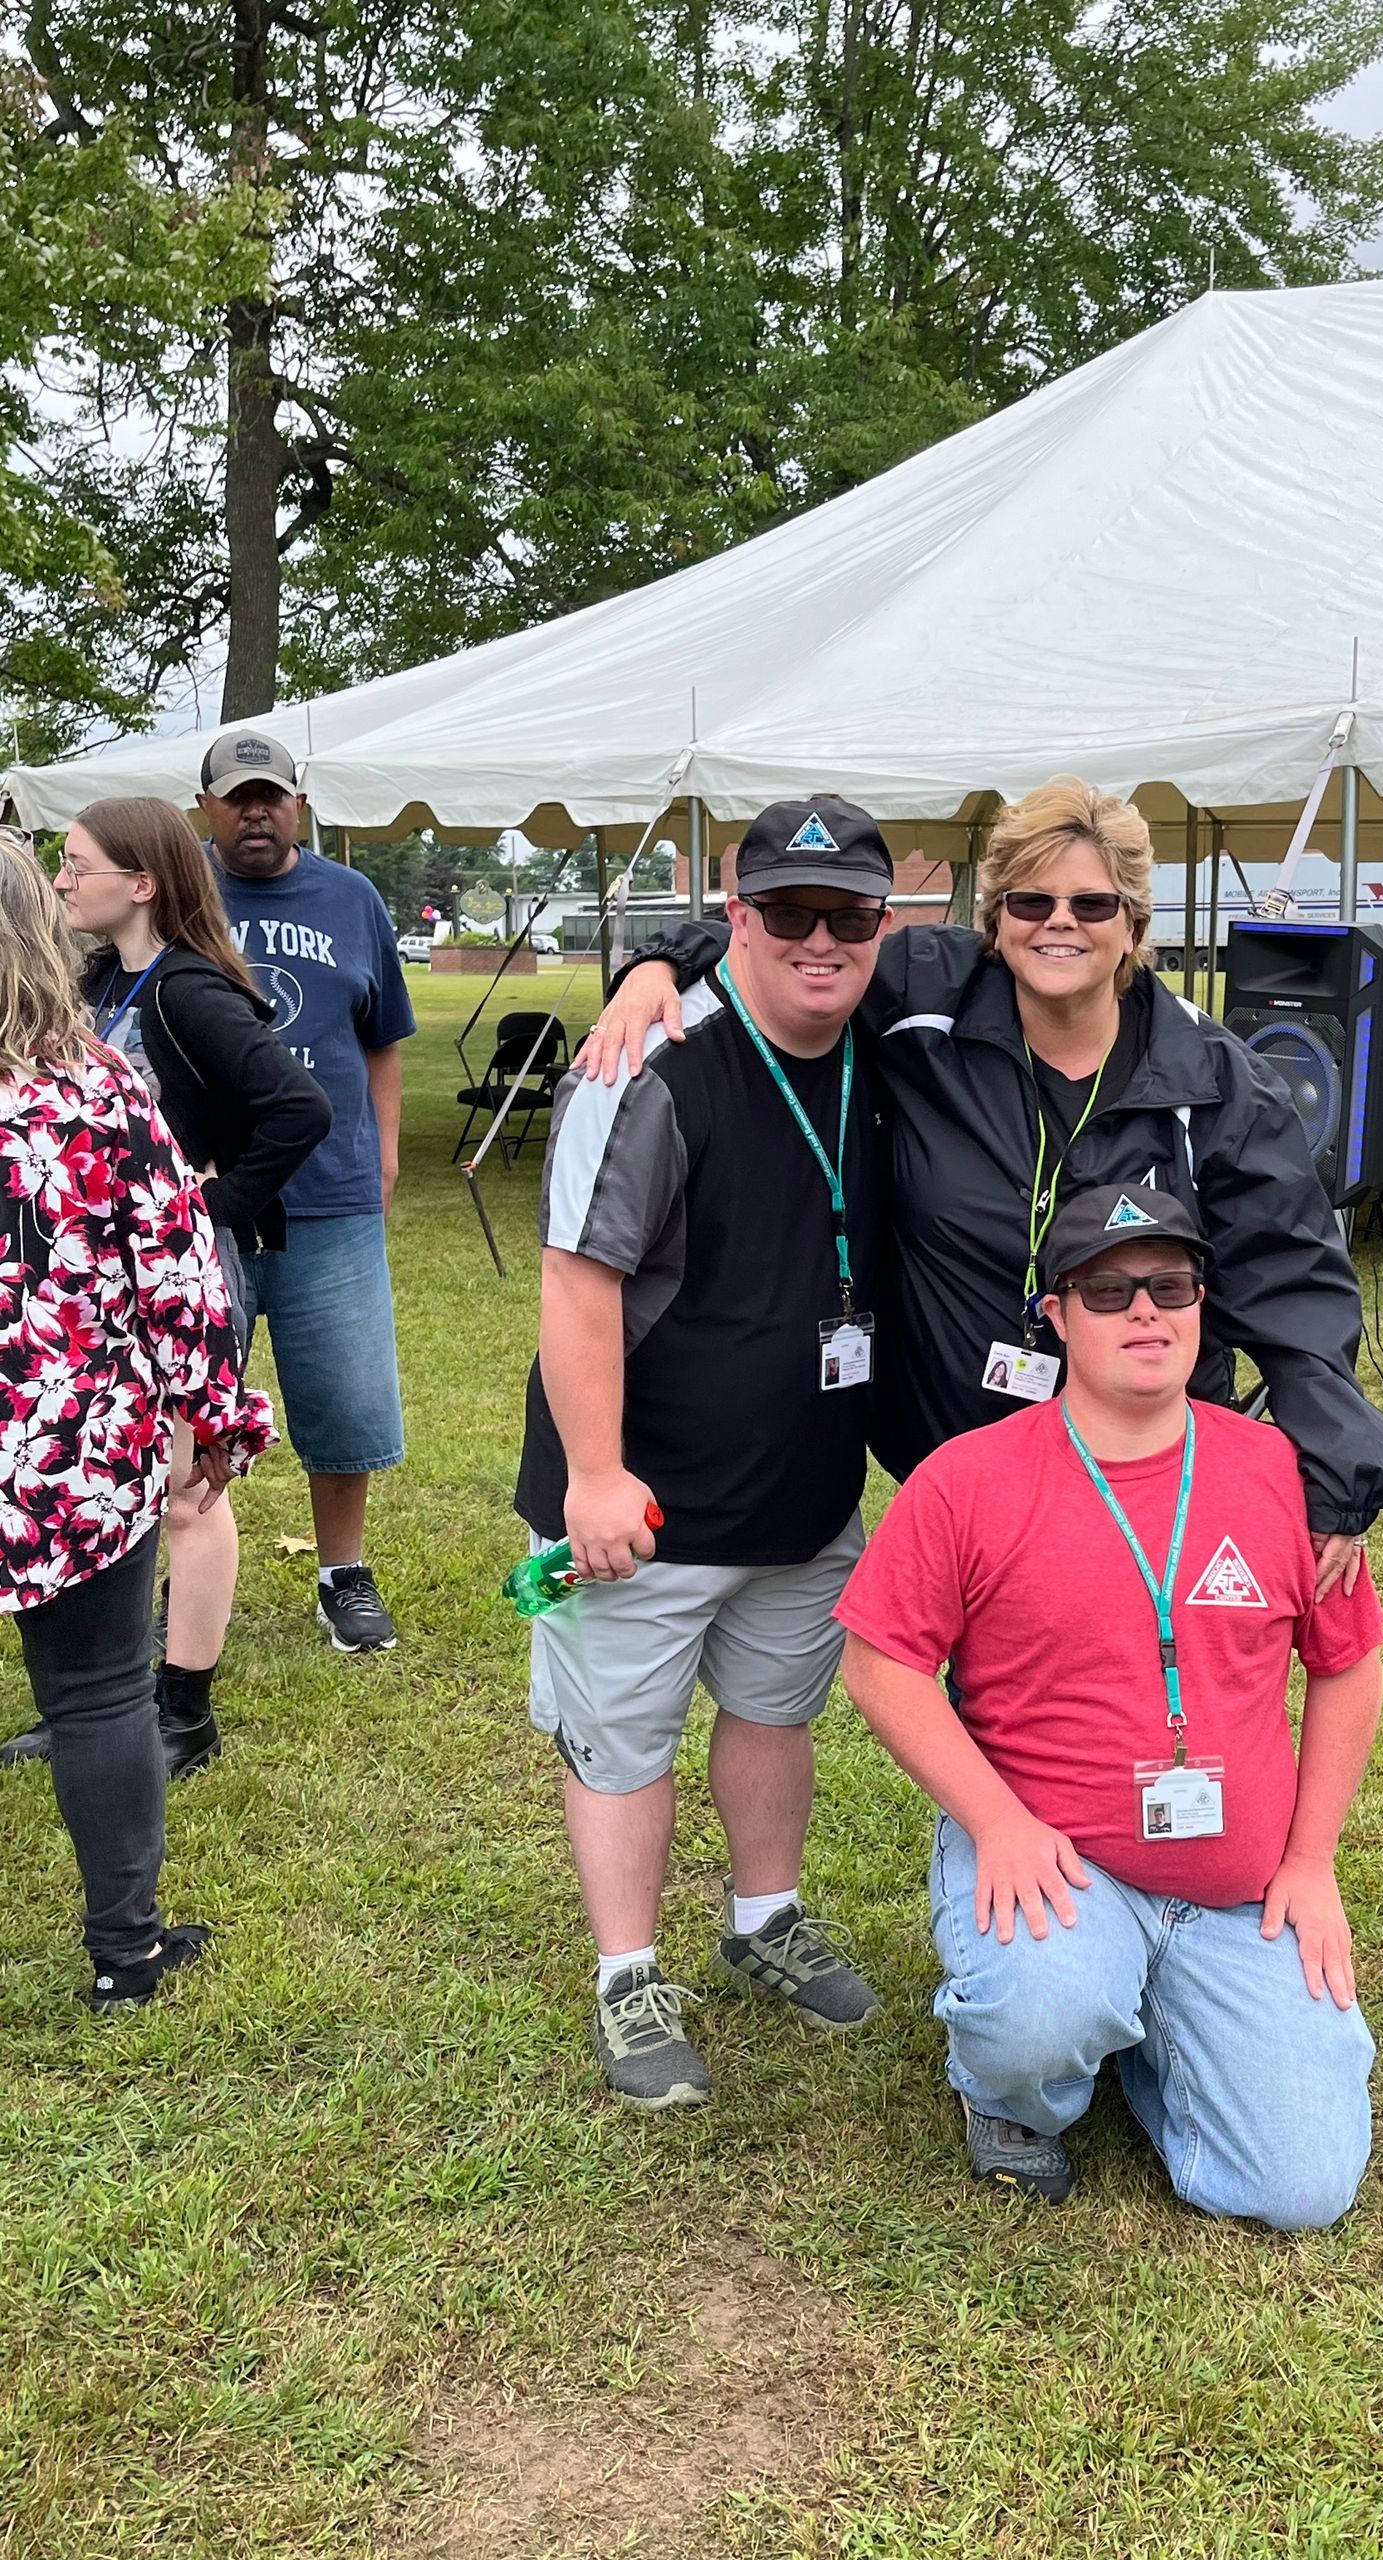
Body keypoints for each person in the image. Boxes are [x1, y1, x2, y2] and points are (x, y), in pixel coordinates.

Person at [582, 776, 1383, 1594]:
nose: (1059, 923)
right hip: (961, 1472)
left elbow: (1288, 1277)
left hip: (1143, 1465)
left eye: (1092, 905)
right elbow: (803, 937)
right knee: (992, 1698)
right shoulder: (922, 998)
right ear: (995, 920)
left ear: (1134, 926)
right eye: (1029, 902)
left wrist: (1337, 1461)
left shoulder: (1214, 1082)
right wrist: (663, 962)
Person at [835, 1183, 1383, 2221]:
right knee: (1038, 2011)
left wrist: (1310, 1860)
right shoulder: (967, 1480)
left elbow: (1348, 1663)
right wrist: (994, 1822)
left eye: (1170, 1285)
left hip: (1239, 1887)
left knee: (1302, 2186)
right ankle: (1011, 2095)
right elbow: (880, 1663)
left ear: (1201, 1304)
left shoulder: (1280, 1472)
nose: (1146, 1312)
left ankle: (1155, 2039)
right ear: (1056, 1314)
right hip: (1058, 1858)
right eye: (1109, 1289)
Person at [517, 797, 894, 2110]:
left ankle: (763, 1921)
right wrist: (596, 1476)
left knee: (775, 1712)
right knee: (622, 1743)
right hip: (645, 1503)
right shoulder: (656, 1059)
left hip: (801, 1496)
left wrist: (657, 947)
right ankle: (628, 1976)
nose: (819, 940)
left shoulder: (882, 1040)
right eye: (787, 911)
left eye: (848, 915)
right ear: (736, 917)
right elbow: (576, 1283)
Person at [0, 799, 330, 1778]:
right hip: (110, 1274)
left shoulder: (188, 991)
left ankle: (184, 1708)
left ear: (141, 883)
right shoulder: (106, 980)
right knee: (115, 1478)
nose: (60, 881)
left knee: (189, 1486)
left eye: (78, 864)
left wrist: (211, 1203)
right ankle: (102, 1696)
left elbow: (296, 1109)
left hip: (182, 1269)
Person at [0, 843, 272, 2008]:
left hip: (66, 1441)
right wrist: (212, 1421)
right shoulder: (98, 1088)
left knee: (101, 1696)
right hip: (72, 1449)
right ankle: (127, 1950)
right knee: (102, 1693)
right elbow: (179, 1275)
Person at [197, 731, 415, 1651]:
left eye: (272, 796)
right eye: (238, 797)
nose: (257, 812)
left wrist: (389, 1153)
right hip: (204, 1196)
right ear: (204, 806)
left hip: (329, 1192)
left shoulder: (351, 897)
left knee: (347, 1398)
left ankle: (342, 1573)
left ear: (299, 803)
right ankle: (190, 1564)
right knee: (191, 1396)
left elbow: (383, 1037)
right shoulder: (174, 892)